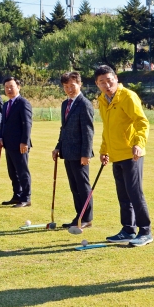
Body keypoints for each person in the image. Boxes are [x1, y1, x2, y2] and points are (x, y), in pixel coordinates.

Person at [95, 65, 153, 247]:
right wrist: (104, 150)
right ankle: (128, 229)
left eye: (109, 80)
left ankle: (145, 231)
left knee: (135, 193)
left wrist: (138, 143)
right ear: (97, 84)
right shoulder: (102, 100)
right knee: (123, 194)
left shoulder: (128, 96)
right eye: (101, 82)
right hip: (115, 154)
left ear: (116, 78)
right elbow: (107, 128)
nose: (106, 85)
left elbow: (141, 122)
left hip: (131, 153)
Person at [52, 72, 96, 229]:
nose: (69, 89)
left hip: (80, 154)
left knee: (83, 186)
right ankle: (79, 215)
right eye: (66, 86)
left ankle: (87, 218)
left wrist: (85, 154)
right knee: (74, 187)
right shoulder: (66, 104)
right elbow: (63, 129)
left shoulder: (84, 104)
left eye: (72, 85)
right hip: (67, 152)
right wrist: (58, 146)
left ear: (80, 84)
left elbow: (88, 131)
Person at [0, 77, 33, 208]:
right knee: (13, 172)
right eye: (6, 87)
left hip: (20, 145)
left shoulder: (23, 103)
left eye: (11, 86)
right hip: (8, 144)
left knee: (22, 172)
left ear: (18, 87)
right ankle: (17, 195)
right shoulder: (6, 104)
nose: (9, 89)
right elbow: (3, 124)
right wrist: (0, 137)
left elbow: (27, 124)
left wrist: (24, 141)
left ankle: (26, 198)